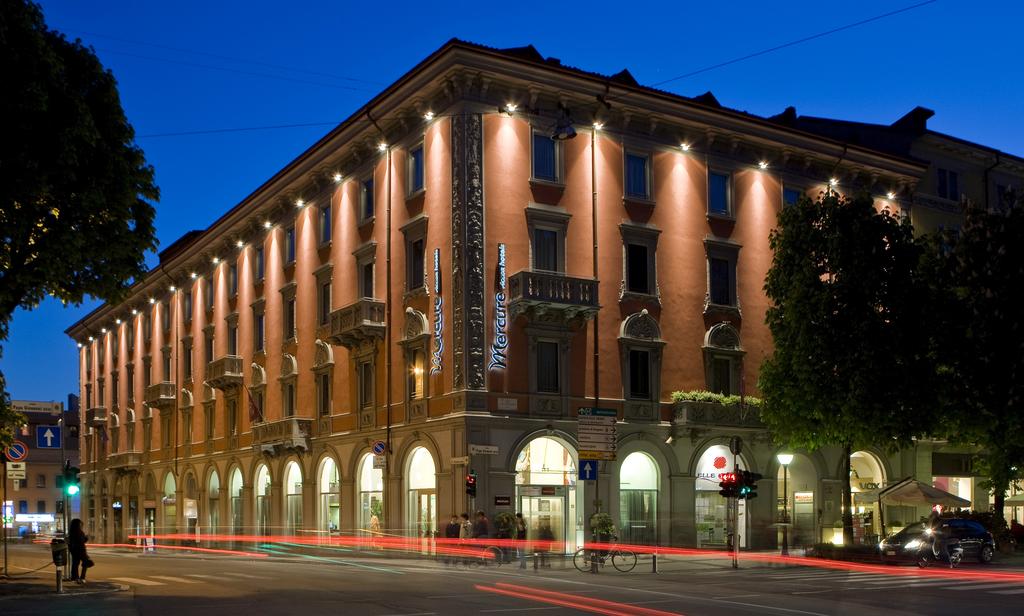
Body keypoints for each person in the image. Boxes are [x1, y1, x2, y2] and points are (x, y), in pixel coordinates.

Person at [68, 518, 91, 584]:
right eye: (80, 524)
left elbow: (74, 542)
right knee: (85, 563)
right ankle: (82, 578)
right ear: (77, 525)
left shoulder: (71, 532)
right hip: (80, 550)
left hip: (74, 551)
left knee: (75, 564)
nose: (81, 525)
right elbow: (81, 542)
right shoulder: (79, 532)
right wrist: (86, 538)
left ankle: (75, 577)